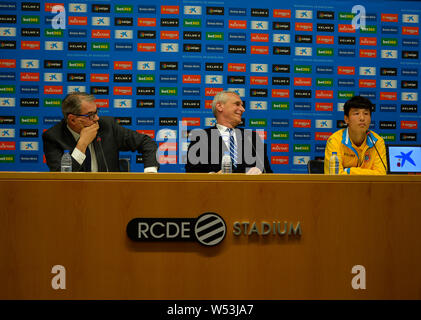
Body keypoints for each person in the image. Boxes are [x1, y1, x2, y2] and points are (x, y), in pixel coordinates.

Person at [43, 92, 159, 172]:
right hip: (74, 197)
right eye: (90, 115)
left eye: (96, 112)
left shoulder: (107, 126)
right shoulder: (53, 137)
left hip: (110, 193)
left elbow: (146, 142)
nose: (97, 118)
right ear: (72, 119)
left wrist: (150, 172)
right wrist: (82, 144)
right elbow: (61, 178)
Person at [185, 90, 273, 174]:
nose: (242, 109)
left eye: (242, 105)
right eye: (237, 104)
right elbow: (192, 173)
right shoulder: (201, 137)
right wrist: (212, 176)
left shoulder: (252, 137)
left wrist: (261, 172)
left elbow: (268, 172)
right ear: (220, 106)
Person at [324, 95, 387, 175]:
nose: (362, 118)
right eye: (356, 113)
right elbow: (334, 176)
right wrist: (368, 172)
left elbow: (381, 175)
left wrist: (348, 171)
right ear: (346, 119)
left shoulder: (377, 141)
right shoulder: (334, 141)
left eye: (366, 113)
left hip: (369, 187)